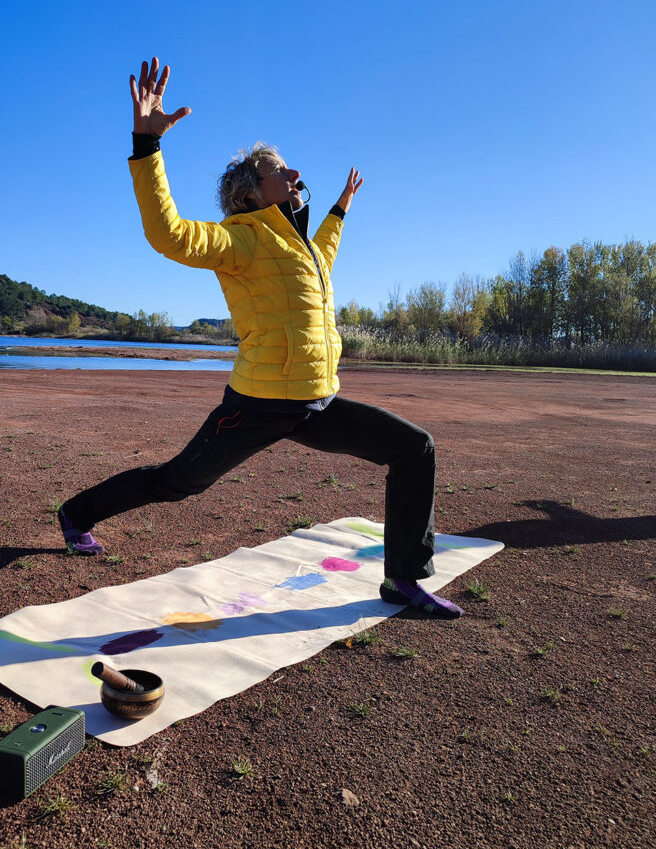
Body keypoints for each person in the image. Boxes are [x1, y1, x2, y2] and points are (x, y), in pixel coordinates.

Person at [58, 56, 463, 619]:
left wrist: (341, 209)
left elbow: (325, 251)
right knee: (180, 482)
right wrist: (146, 147)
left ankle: (402, 580)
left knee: (413, 447)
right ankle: (77, 513)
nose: (296, 174)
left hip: (317, 402)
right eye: (282, 170)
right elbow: (169, 235)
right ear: (251, 192)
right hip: (257, 405)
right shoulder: (241, 240)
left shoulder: (301, 249)